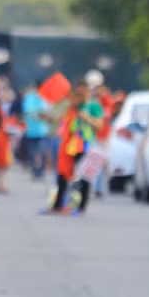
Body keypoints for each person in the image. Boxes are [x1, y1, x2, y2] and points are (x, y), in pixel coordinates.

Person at [44, 79, 103, 214]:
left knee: (82, 177)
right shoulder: (72, 106)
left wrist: (86, 117)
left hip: (86, 145)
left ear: (87, 91)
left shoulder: (93, 106)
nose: (79, 96)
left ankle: (80, 206)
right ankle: (58, 205)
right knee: (63, 174)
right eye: (77, 93)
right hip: (70, 145)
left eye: (81, 93)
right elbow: (61, 120)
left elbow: (99, 125)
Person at [21, 81, 52, 179]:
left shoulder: (46, 98)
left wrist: (42, 115)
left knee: (42, 152)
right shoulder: (29, 98)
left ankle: (41, 171)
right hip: (31, 131)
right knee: (31, 153)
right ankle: (35, 171)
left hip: (42, 131)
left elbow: (48, 114)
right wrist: (38, 115)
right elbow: (27, 112)